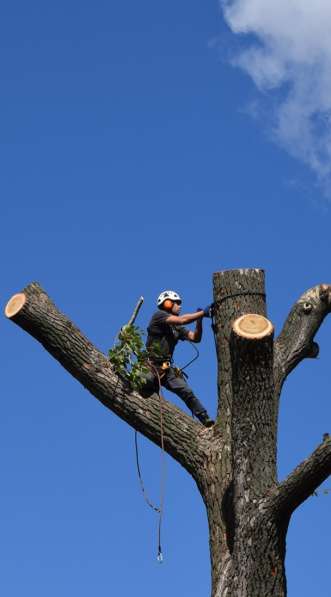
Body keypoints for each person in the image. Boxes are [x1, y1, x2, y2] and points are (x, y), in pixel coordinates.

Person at [143, 290, 214, 428]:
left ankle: (204, 418)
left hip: (166, 368)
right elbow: (183, 319)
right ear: (167, 303)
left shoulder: (176, 327)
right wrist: (202, 313)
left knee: (186, 391)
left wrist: (199, 321)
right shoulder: (159, 316)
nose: (179, 306)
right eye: (176, 303)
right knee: (145, 382)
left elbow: (195, 338)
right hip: (150, 366)